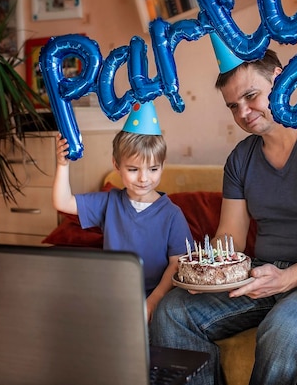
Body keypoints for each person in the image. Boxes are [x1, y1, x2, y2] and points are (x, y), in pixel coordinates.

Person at [149, 33, 297, 385]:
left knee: (281, 334)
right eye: (233, 105)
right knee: (171, 312)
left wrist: (286, 278)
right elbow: (229, 237)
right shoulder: (240, 158)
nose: (243, 113)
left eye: (250, 96)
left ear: (279, 80)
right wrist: (202, 275)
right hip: (259, 277)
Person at [52, 101, 192, 321]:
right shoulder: (109, 202)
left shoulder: (172, 215)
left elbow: (178, 264)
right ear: (116, 165)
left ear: (163, 166)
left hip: (157, 299)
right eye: (133, 169)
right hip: (113, 298)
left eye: (153, 169)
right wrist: (62, 165)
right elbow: (62, 202)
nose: (144, 178)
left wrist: (152, 302)